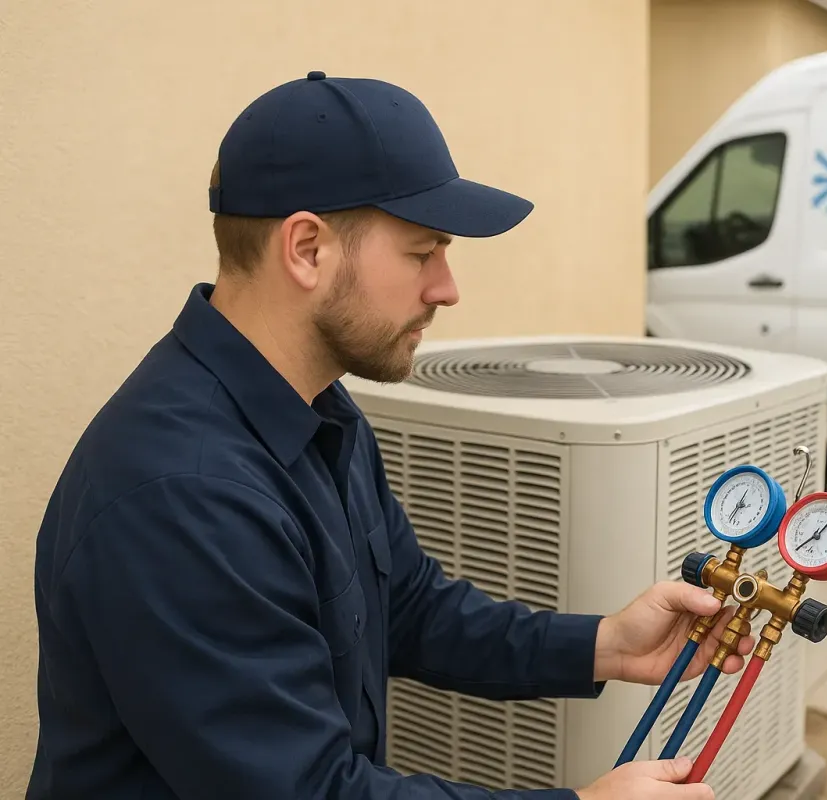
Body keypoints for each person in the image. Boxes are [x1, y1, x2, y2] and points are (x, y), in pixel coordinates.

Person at [26, 72, 754, 800]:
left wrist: (606, 645)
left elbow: (407, 606)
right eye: (421, 252)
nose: (447, 288)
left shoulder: (319, 406)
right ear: (307, 249)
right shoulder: (183, 496)